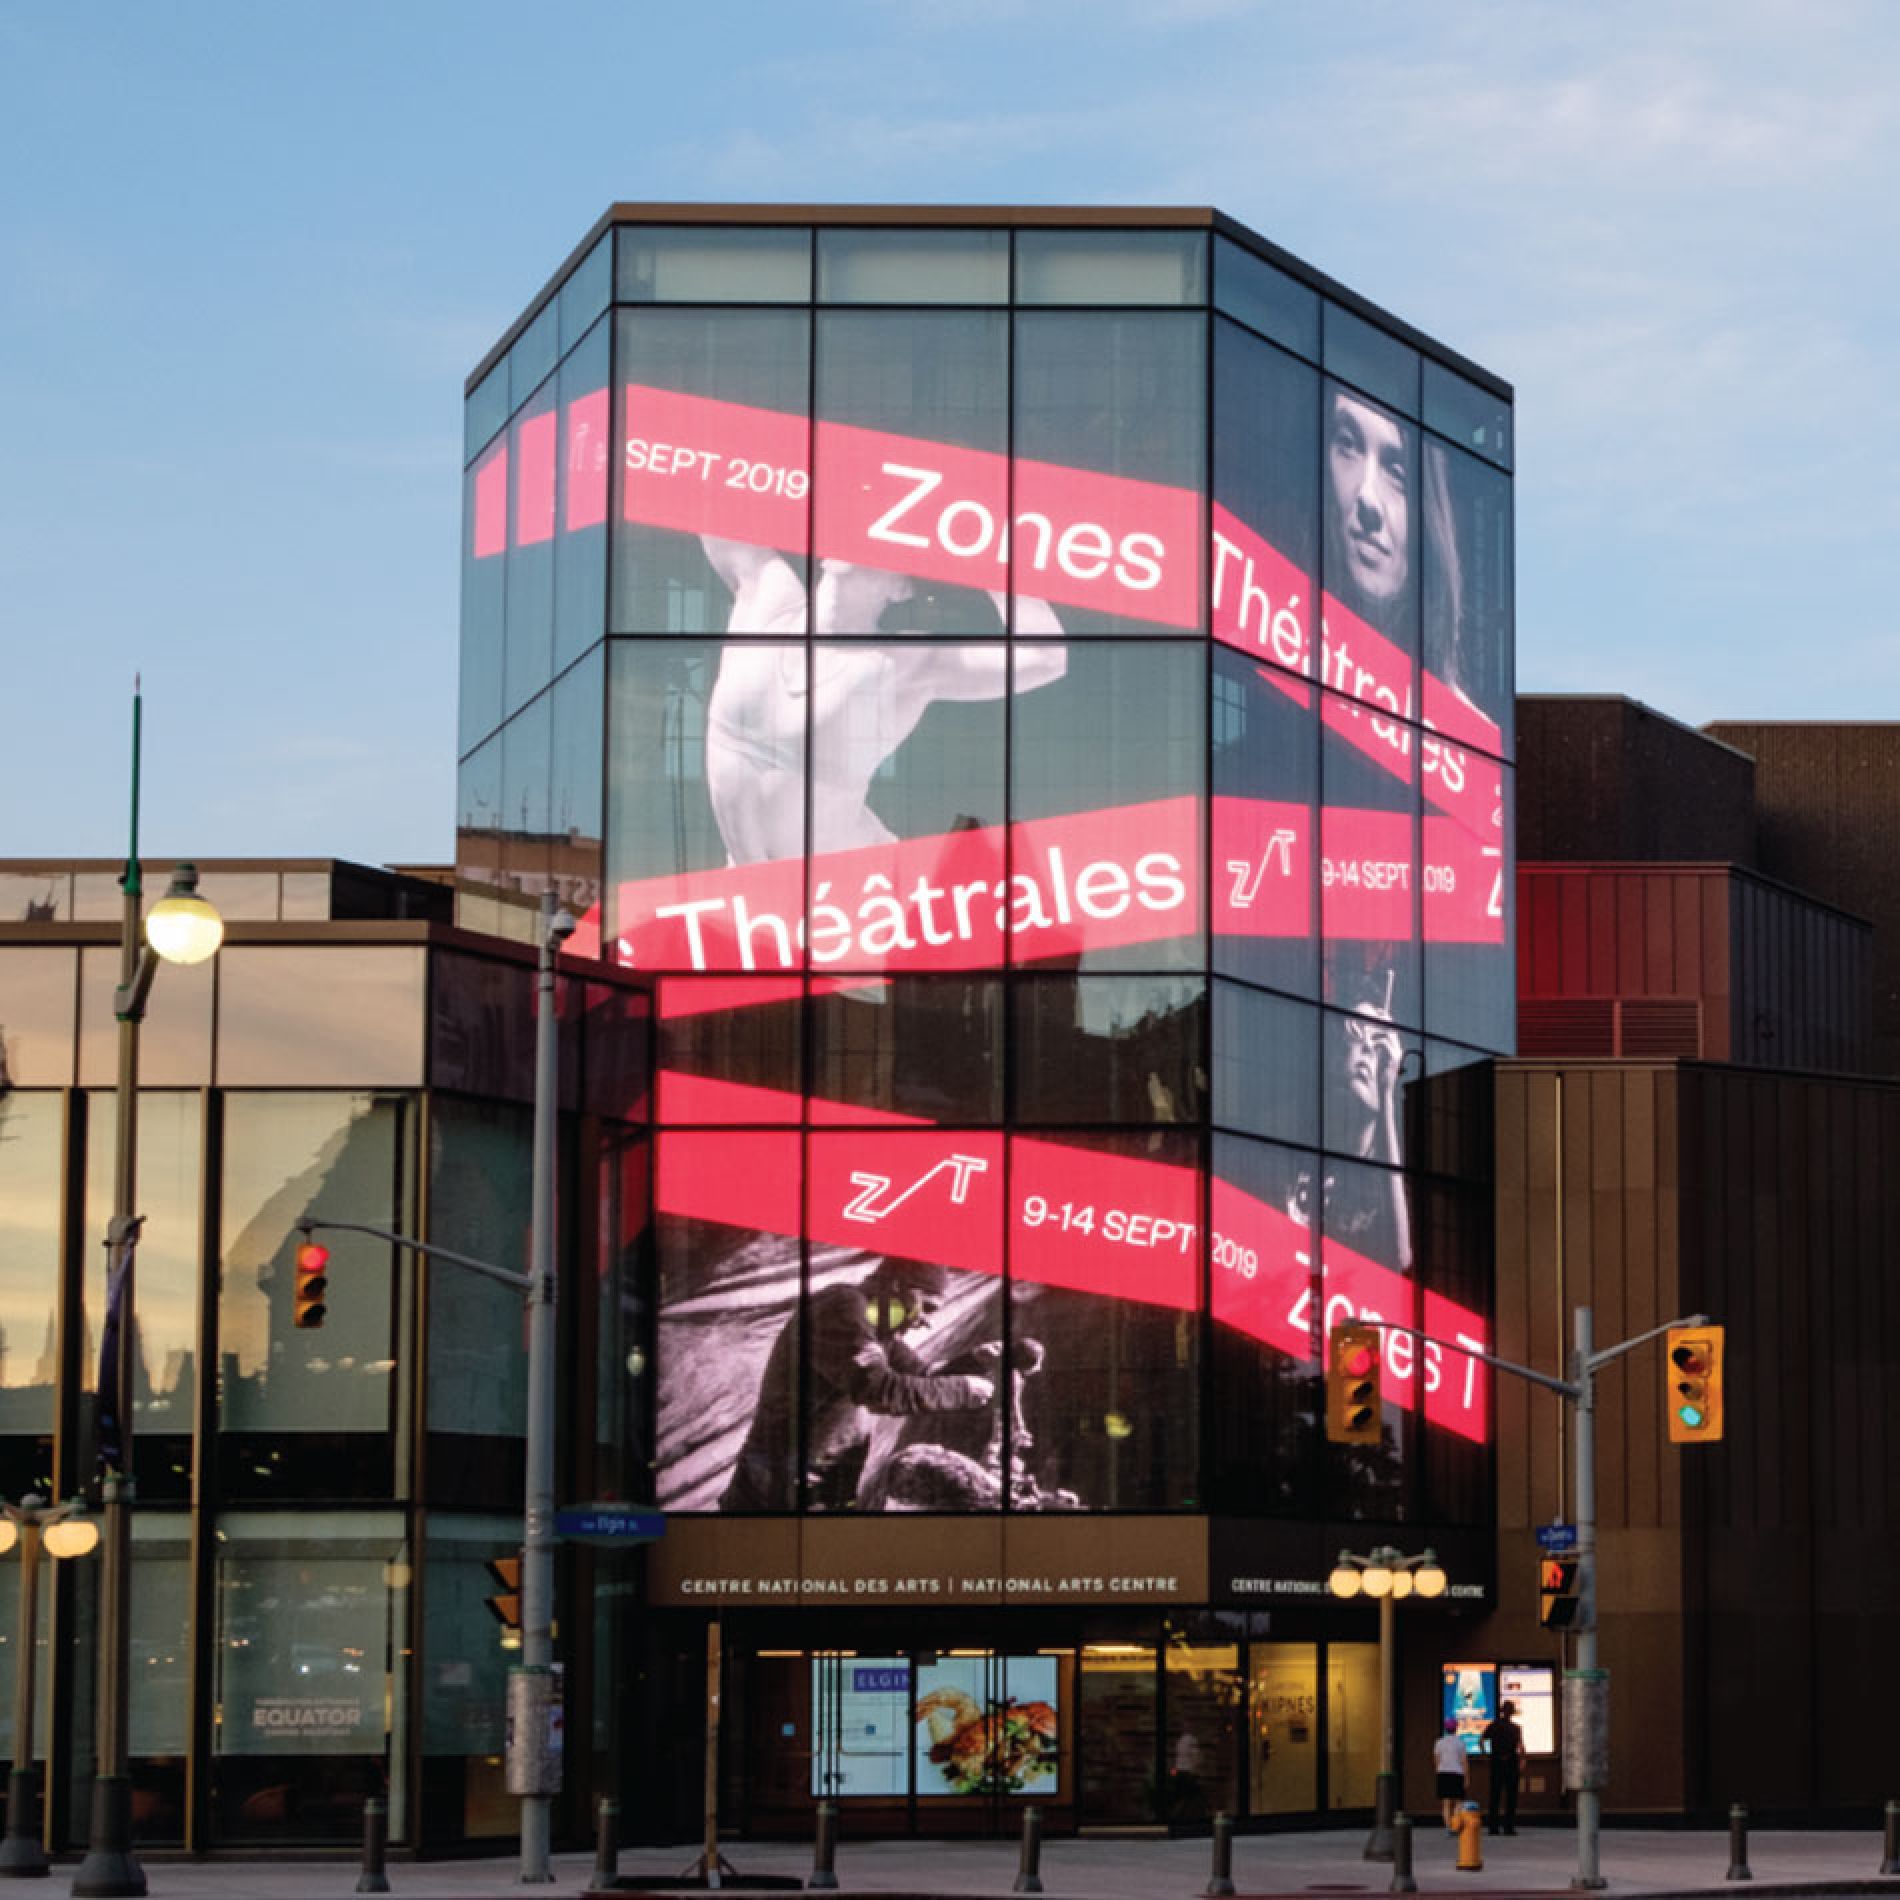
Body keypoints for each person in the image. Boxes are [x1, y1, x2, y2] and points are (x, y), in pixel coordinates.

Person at [702, 538, 1066, 863]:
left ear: (900, 586)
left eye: (883, 542)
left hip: (849, 902)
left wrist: (992, 547)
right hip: (758, 902)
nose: (863, 538)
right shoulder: (771, 598)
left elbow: (1045, 659)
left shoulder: (903, 662)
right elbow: (707, 487)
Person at [719, 1258, 994, 1511]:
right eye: (928, 1306)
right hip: (780, 1483)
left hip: (823, 1481)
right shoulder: (841, 1306)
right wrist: (961, 1390)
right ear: (898, 1286)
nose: (925, 1321)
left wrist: (976, 1360)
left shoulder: (877, 1331)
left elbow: (924, 1376)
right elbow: (878, 1389)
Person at [1481, 1698, 1524, 1835]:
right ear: (1511, 1713)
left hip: (1496, 1762)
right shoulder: (1516, 1728)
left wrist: (1486, 1756)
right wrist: (1522, 1760)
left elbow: (1481, 1741)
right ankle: (1509, 1827)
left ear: (1501, 1712)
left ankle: (1493, 1827)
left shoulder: (1493, 1725)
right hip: (1511, 1761)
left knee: (1495, 1795)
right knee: (1511, 1797)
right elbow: (1521, 1746)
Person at [1433, 1717, 1469, 1831]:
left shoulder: (1439, 1742)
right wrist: (1467, 1777)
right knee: (1458, 1802)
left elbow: (1436, 1759)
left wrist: (1438, 1770)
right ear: (1456, 1728)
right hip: (1457, 1773)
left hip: (1443, 1773)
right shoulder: (1460, 1743)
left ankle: (1448, 1826)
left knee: (1446, 1803)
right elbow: (1464, 1761)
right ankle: (1456, 1826)